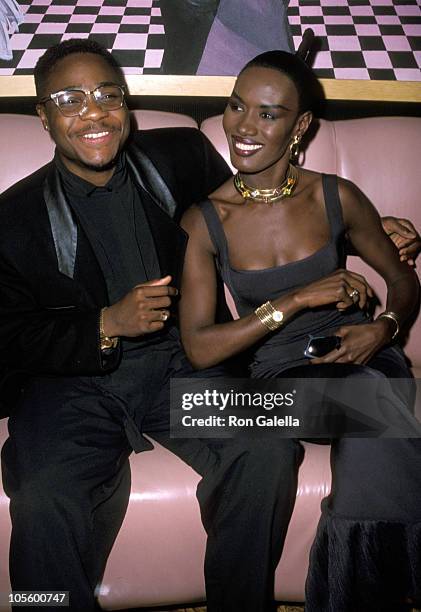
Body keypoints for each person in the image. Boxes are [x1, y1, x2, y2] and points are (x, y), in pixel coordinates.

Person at [0, 38, 419, 612]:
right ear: (43, 116)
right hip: (72, 389)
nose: (93, 112)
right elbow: (10, 333)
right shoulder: (11, 219)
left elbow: (253, 198)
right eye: (70, 99)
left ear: (126, 104)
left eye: (107, 95)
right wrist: (104, 323)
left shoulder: (178, 156)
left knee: (266, 455)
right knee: (44, 494)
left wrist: (363, 224)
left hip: (182, 377)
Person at [179, 50, 421, 611]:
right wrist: (291, 301)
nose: (243, 126)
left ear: (300, 125)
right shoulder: (206, 220)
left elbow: (401, 282)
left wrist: (383, 329)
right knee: (383, 413)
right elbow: (198, 348)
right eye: (237, 107)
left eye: (267, 114)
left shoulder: (334, 195)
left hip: (364, 359)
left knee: (375, 413)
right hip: (280, 381)